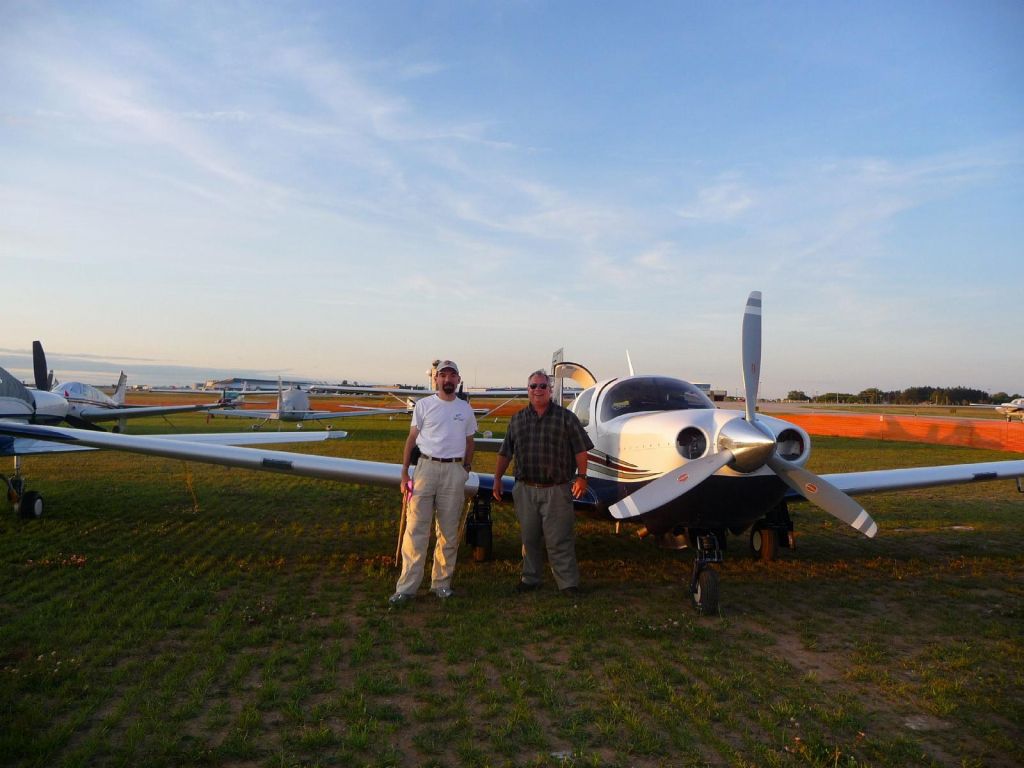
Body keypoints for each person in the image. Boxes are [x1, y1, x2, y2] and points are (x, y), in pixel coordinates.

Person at [492, 369, 593, 595]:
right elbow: (505, 453)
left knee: (560, 539)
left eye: (542, 386)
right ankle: (530, 579)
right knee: (529, 538)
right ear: (527, 390)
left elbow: (581, 450)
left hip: (556, 489)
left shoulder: (566, 418)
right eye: (533, 386)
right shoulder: (517, 420)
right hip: (525, 489)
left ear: (550, 390)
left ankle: (567, 583)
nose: (538, 390)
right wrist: (497, 479)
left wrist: (582, 477)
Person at [390, 360, 477, 605]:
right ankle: (406, 588)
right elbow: (411, 440)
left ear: (458, 380)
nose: (447, 380)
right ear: (436, 380)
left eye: (452, 375)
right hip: (425, 469)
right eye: (443, 376)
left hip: (454, 471)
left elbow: (470, 442)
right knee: (416, 528)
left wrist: (466, 469)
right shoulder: (424, 405)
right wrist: (405, 473)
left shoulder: (465, 410)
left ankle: (441, 584)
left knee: (448, 532)